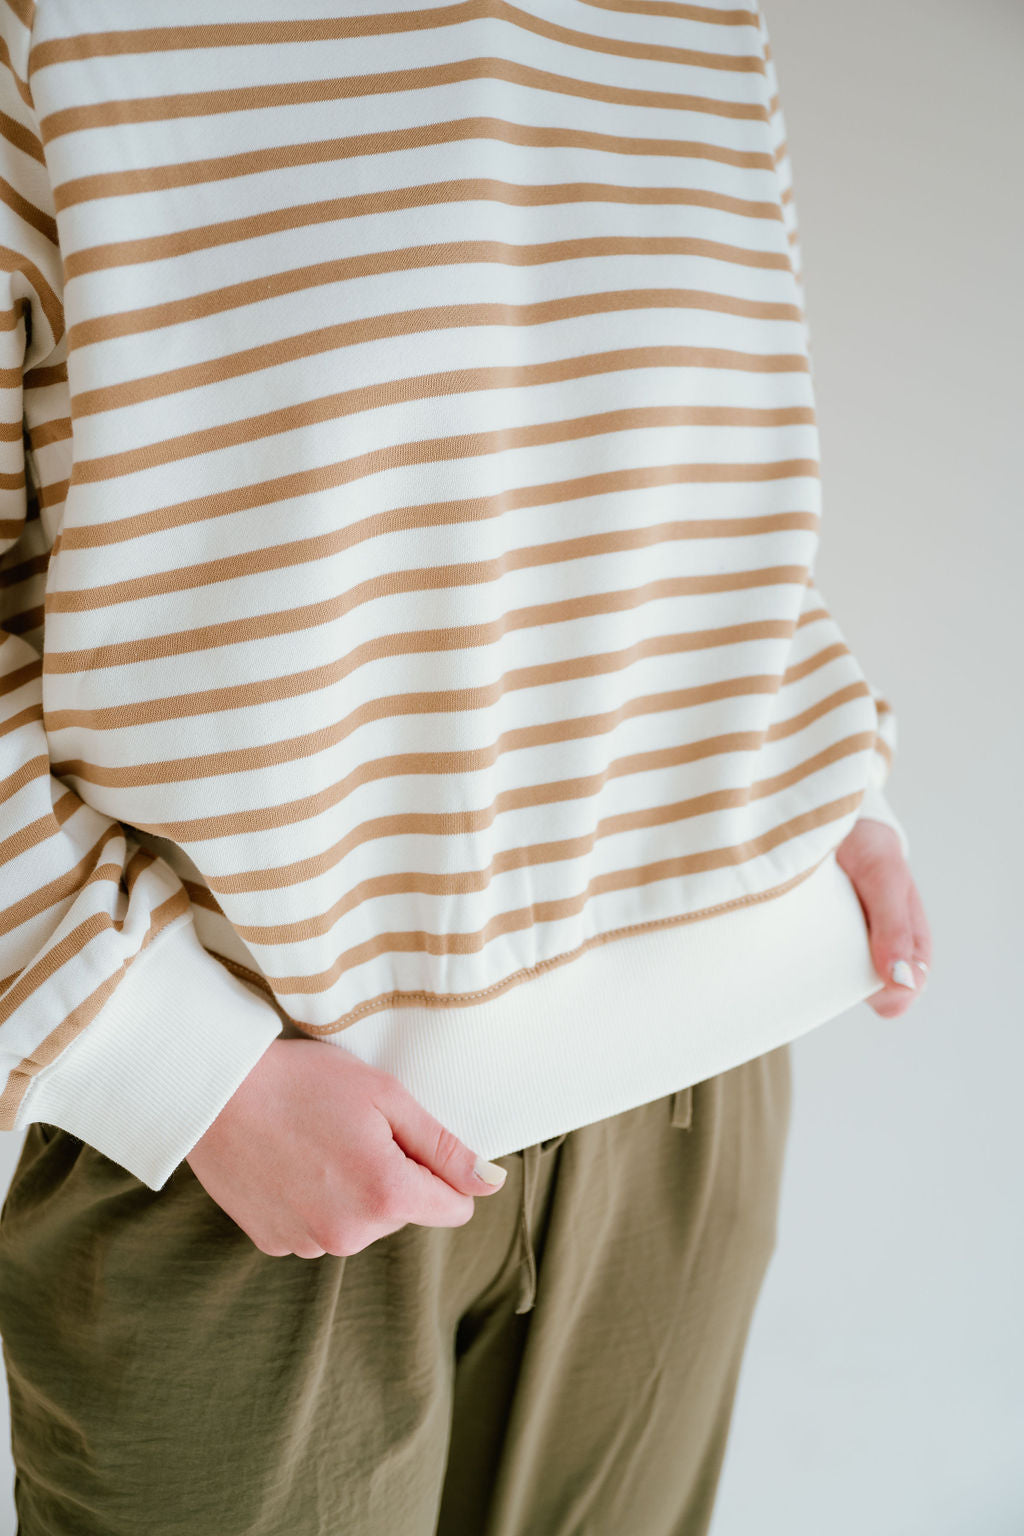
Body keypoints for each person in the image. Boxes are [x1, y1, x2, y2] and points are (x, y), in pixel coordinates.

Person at [0, 3, 931, 1532]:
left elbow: (685, 440)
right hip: (258, 1140)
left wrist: (828, 774)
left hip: (702, 1085)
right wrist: (174, 1064)